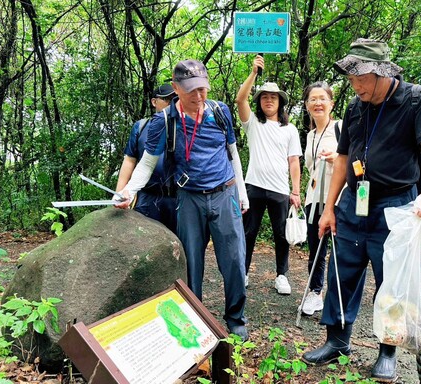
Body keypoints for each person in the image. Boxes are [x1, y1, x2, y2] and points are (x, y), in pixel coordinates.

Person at [301, 38, 421, 382]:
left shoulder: (416, 99)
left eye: (360, 77)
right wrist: (330, 207)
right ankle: (337, 340)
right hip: (354, 201)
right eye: (351, 78)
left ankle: (387, 350)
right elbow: (342, 160)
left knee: (391, 279)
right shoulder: (355, 106)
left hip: (397, 203)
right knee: (343, 270)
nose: (354, 84)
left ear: (380, 73)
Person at [115, 59, 250, 341]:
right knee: (191, 264)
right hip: (189, 198)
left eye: (202, 89)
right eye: (191, 91)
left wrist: (242, 193)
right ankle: (195, 316)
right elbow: (146, 163)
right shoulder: (163, 121)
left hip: (225, 194)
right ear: (176, 88)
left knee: (235, 260)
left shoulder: (220, 111)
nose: (198, 96)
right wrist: (129, 190)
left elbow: (232, 153)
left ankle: (235, 318)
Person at [236, 55, 302, 295]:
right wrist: (254, 72)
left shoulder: (290, 129)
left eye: (273, 97)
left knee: (281, 234)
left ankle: (282, 275)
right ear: (259, 102)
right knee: (248, 232)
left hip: (280, 190)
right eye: (264, 97)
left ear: (280, 102)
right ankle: (242, 272)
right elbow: (240, 99)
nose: (269, 101)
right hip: (253, 185)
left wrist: (295, 191)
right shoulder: (253, 123)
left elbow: (294, 161)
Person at [299, 81, 341, 316]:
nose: (318, 103)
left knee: (339, 248)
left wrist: (337, 158)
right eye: (313, 99)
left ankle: (338, 293)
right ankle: (315, 292)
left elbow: (357, 161)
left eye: (322, 98)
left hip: (338, 198)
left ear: (331, 103)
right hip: (314, 198)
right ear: (307, 105)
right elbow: (309, 168)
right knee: (316, 248)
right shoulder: (310, 136)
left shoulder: (341, 128)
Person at [116, 84, 177, 233]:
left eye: (175, 100)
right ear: (154, 102)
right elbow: (130, 160)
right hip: (147, 196)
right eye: (167, 99)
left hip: (178, 198)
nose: (171, 104)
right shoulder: (142, 127)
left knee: (182, 247)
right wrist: (120, 193)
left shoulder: (183, 127)